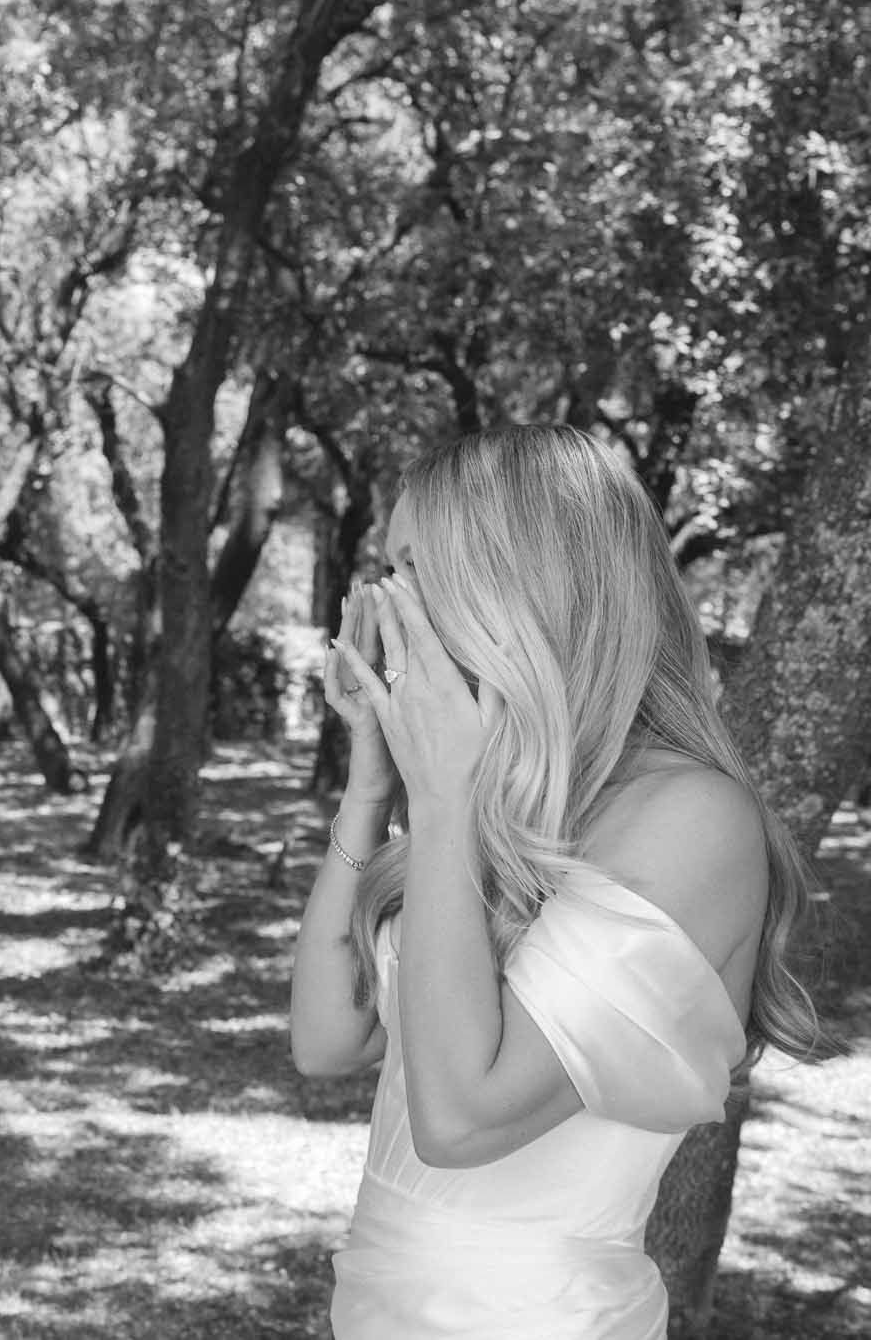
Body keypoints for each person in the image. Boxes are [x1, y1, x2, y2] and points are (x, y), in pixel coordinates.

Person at [289, 424, 829, 1339]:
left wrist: (447, 795)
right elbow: (326, 1040)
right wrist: (372, 782)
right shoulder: (498, 795)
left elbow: (461, 1120)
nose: (387, 604)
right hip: (381, 1308)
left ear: (521, 584)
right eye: (388, 570)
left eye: (416, 570)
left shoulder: (692, 817)